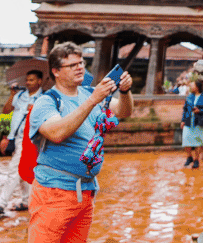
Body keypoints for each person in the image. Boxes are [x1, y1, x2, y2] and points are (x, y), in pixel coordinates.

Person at [28, 43, 132, 243]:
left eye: (81, 62)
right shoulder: (47, 101)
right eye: (72, 65)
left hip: (85, 191)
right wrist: (93, 100)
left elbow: (123, 111)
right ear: (56, 71)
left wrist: (125, 92)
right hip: (54, 191)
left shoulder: (88, 93)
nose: (80, 68)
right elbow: (57, 132)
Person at [0, 69, 45, 214]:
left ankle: (1, 203)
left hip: (30, 139)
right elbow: (5, 111)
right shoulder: (20, 95)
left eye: (32, 80)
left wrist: (35, 110)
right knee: (24, 170)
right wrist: (11, 95)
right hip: (15, 138)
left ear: (39, 81)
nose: (28, 83)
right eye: (27, 80)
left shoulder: (44, 98)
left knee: (14, 170)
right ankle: (26, 201)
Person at [180, 81, 203, 168]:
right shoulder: (189, 96)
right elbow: (185, 109)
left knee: (198, 141)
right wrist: (183, 120)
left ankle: (196, 159)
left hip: (200, 121)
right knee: (186, 139)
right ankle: (189, 157)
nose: (191, 87)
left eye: (192, 85)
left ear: (197, 86)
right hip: (188, 121)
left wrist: (200, 111)